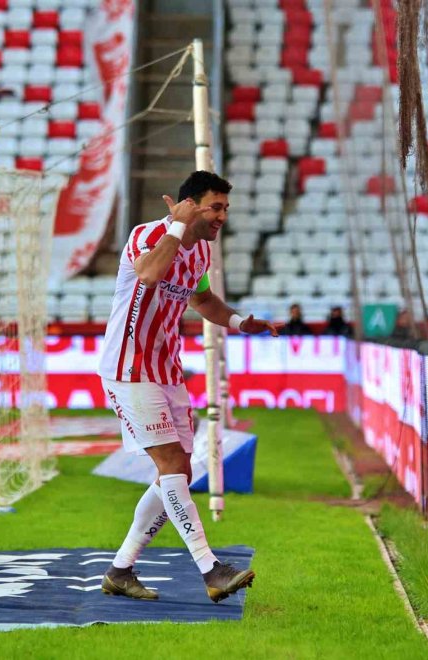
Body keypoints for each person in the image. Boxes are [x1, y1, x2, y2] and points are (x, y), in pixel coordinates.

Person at [97, 171, 282, 601]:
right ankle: (211, 569)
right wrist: (176, 227)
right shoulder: (148, 235)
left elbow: (202, 300)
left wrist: (239, 322)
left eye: (226, 208)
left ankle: (120, 570)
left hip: (167, 371)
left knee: (180, 471)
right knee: (170, 466)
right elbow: (148, 274)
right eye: (215, 207)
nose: (222, 216)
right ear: (189, 205)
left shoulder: (200, 252)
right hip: (129, 369)